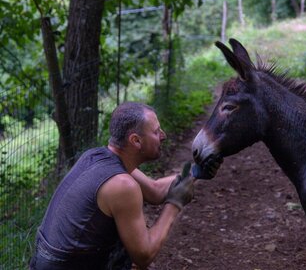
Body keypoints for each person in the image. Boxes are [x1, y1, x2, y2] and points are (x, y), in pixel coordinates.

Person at [30, 102, 220, 269]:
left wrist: (195, 172)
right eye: (156, 132)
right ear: (136, 141)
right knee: (129, 253)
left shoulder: (96, 156)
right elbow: (144, 255)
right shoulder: (122, 185)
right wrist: (174, 204)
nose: (163, 135)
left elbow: (154, 190)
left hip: (46, 263)